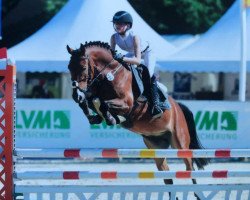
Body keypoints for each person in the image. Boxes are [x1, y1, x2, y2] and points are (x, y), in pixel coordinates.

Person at [110, 11, 163, 119]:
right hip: (132, 53)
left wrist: (123, 58)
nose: (117, 26)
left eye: (120, 24)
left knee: (148, 74)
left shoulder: (135, 37)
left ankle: (156, 104)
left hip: (147, 53)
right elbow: (111, 57)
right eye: (116, 24)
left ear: (128, 25)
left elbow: (138, 61)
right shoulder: (114, 37)